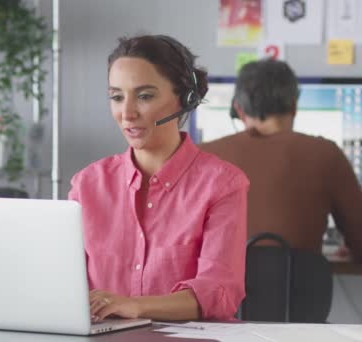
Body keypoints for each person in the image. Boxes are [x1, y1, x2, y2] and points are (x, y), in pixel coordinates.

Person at [68, 35, 250, 322]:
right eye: (117, 97)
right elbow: (63, 285)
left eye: (144, 96)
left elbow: (219, 292)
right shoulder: (87, 185)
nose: (126, 113)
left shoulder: (222, 184)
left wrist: (134, 306)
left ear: (184, 98)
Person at [199, 59, 362, 262]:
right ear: (294, 106)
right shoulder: (327, 153)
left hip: (220, 293)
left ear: (238, 110)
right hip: (299, 291)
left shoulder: (202, 158)